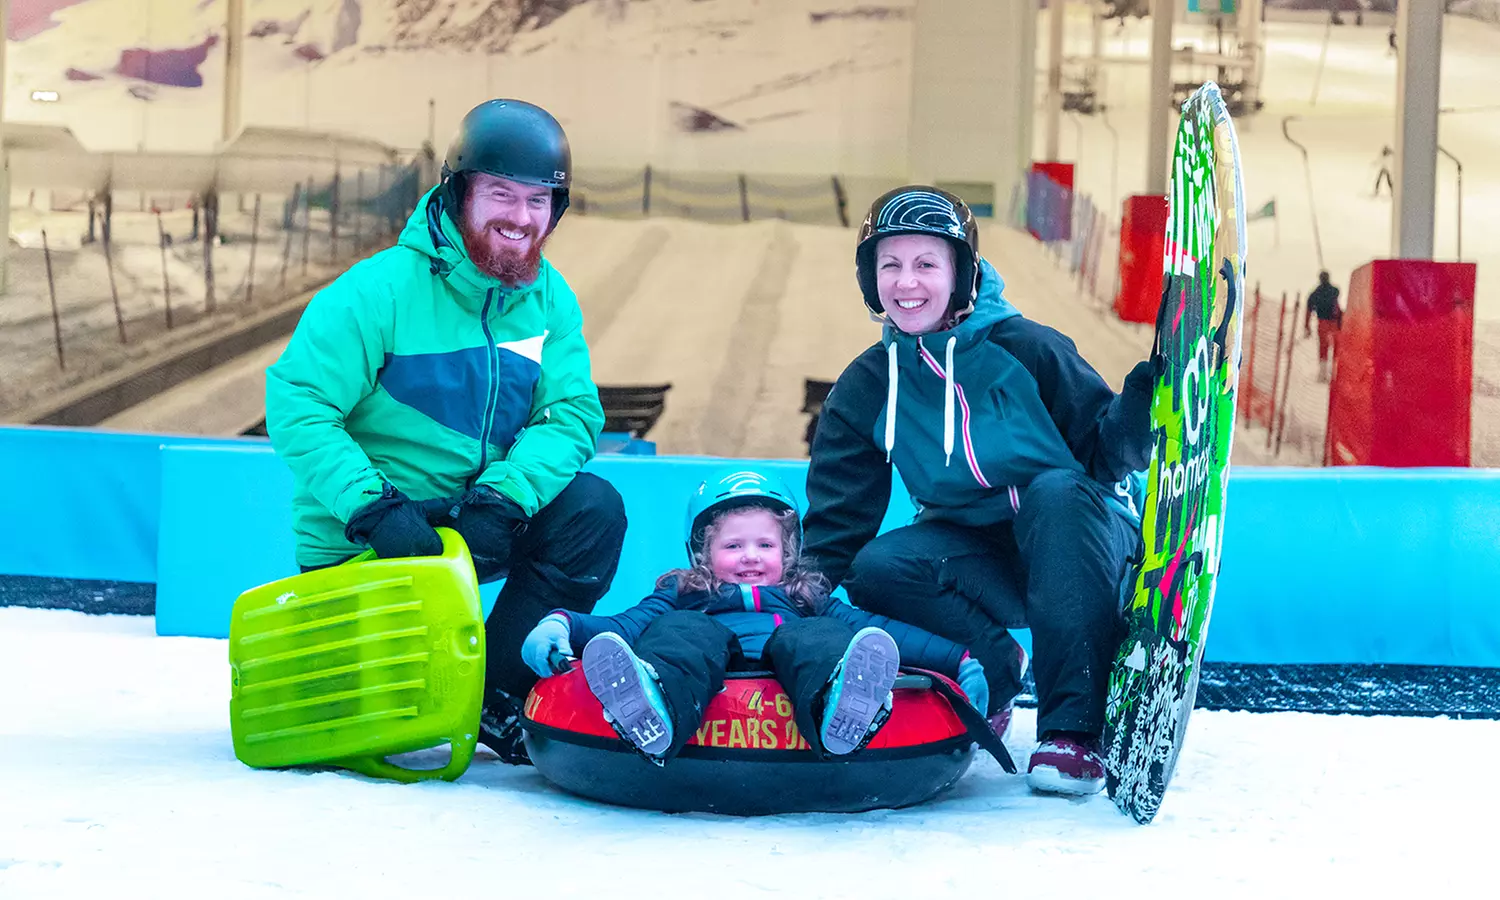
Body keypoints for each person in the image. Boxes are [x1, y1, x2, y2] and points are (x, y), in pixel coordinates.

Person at [264, 99, 626, 766]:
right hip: (373, 533)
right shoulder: (378, 291)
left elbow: (571, 414)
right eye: (501, 194)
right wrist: (371, 508)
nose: (521, 217)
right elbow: (299, 404)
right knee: (377, 708)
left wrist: (505, 498)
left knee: (591, 510)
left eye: (539, 200)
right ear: (460, 192)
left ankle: (495, 696)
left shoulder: (550, 298)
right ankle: (382, 665)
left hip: (475, 518)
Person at [801, 186, 1154, 796]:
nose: (906, 282)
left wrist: (1144, 409)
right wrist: (794, 596)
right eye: (890, 264)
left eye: (926, 264)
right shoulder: (870, 384)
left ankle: (1073, 730)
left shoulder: (1028, 349)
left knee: (1055, 493)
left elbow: (1103, 457)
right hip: (981, 560)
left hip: (1085, 542)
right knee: (879, 566)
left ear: (961, 273)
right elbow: (839, 522)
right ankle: (994, 672)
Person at [519, 469, 1004, 764]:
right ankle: (655, 707)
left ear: (787, 552)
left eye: (765, 545)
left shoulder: (806, 597)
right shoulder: (685, 593)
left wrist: (959, 660)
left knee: (819, 636)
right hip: (707, 674)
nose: (750, 556)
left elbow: (880, 631)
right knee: (682, 631)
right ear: (702, 554)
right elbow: (624, 626)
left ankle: (839, 707)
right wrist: (562, 624)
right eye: (733, 545)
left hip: (791, 676)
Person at [1305, 270, 1343, 383]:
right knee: (1336, 348)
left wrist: (1307, 326)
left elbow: (1309, 310)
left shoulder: (1315, 294)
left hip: (1322, 323)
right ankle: (1335, 373)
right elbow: (1337, 305)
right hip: (1335, 324)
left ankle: (1322, 374)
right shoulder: (1334, 291)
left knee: (1323, 348)